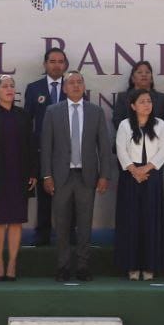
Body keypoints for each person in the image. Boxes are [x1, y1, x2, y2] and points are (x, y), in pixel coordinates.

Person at [41, 71, 115, 281]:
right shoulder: (52, 111)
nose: (75, 86)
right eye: (71, 83)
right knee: (62, 224)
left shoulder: (96, 112)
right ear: (64, 88)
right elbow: (46, 146)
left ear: (84, 87)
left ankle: (83, 266)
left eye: (79, 82)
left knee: (85, 224)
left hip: (87, 176)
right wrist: (46, 175)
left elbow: (103, 147)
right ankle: (63, 266)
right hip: (61, 176)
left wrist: (104, 175)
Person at [0, 75, 38, 280]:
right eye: (4, 86)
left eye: (12, 86)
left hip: (20, 176)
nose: (9, 89)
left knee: (17, 221)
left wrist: (33, 172)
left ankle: (12, 264)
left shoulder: (24, 115)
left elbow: (31, 146)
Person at [114, 88, 164, 280]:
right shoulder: (124, 125)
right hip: (130, 177)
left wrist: (145, 169)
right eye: (142, 101)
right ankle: (131, 266)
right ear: (133, 106)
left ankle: (149, 266)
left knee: (150, 221)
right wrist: (134, 170)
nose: (147, 105)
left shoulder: (160, 125)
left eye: (149, 101)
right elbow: (121, 149)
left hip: (152, 176)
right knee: (131, 221)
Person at [23, 47, 68, 246]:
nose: (56, 65)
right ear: (45, 64)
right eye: (52, 61)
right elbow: (27, 122)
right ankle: (42, 234)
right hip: (42, 151)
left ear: (65, 65)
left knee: (68, 196)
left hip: (67, 152)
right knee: (44, 195)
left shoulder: (73, 86)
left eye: (60, 61)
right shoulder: (34, 89)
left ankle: (68, 235)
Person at [111, 60, 164, 131]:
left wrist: (149, 135)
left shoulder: (161, 98)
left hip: (155, 140)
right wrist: (137, 135)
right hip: (129, 139)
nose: (144, 75)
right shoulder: (123, 97)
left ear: (151, 79)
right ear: (133, 79)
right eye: (139, 72)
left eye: (147, 72)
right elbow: (117, 121)